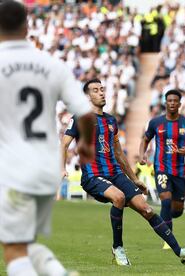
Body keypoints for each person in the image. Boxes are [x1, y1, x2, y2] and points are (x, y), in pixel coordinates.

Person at [0, 1, 96, 276]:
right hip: (44, 167)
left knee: (14, 250)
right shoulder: (52, 64)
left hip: (12, 167)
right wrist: (86, 146)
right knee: (23, 242)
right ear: (26, 26)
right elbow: (86, 114)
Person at [62, 80, 185, 265]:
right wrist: (62, 167)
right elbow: (64, 144)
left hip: (115, 174)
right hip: (93, 176)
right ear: (88, 96)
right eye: (95, 90)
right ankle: (117, 248)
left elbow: (118, 153)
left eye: (102, 89)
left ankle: (180, 252)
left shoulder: (111, 120)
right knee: (118, 197)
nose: (101, 92)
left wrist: (134, 179)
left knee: (147, 209)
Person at [138, 89, 185, 249]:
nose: (171, 103)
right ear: (165, 103)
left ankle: (165, 221)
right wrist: (142, 155)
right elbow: (145, 140)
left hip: (179, 170)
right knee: (165, 199)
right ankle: (168, 241)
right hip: (161, 168)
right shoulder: (156, 122)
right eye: (169, 100)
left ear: (179, 104)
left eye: (174, 101)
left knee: (177, 210)